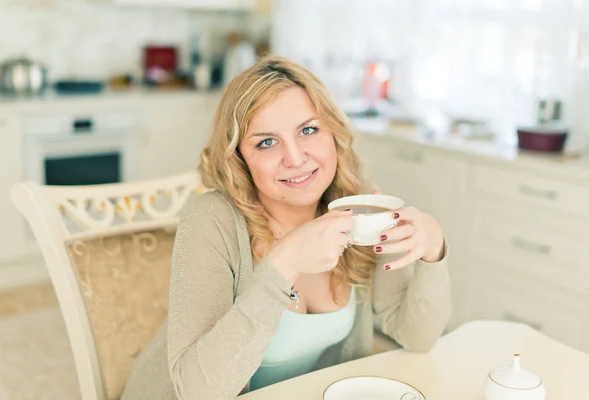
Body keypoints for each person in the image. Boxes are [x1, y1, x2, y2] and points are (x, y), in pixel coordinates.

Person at [122, 56, 451, 400]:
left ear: (333, 133)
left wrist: (433, 251)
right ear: (239, 158)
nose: (295, 158)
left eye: (308, 130)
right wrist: (284, 264)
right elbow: (198, 391)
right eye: (266, 142)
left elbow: (417, 337)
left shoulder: (361, 212)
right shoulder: (211, 219)